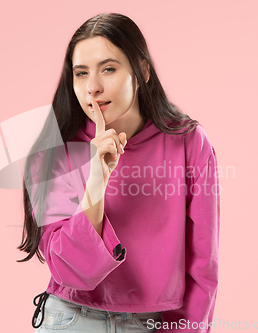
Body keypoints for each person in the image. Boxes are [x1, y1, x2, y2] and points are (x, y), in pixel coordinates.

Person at [17, 13, 220, 333]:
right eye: (81, 73)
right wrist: (96, 178)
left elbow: (202, 265)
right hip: (69, 320)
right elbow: (69, 271)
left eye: (108, 69)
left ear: (141, 71)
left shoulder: (189, 143)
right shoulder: (54, 153)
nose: (93, 87)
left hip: (151, 323)